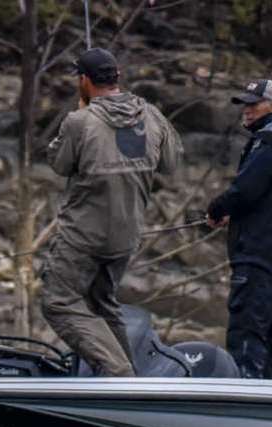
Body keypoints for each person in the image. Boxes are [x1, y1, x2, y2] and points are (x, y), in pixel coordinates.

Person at [42, 47, 182, 377]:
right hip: (127, 237)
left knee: (58, 302)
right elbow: (171, 162)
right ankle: (130, 382)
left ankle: (118, 374)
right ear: (118, 78)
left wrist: (81, 114)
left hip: (84, 237)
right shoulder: (152, 115)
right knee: (101, 302)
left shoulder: (80, 121)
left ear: (84, 81)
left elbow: (59, 164)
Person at [206, 79, 272, 379]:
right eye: (245, 104)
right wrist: (235, 215)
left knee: (247, 332)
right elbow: (266, 198)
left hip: (257, 256)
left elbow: (244, 191)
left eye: (254, 104)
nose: (247, 110)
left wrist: (217, 209)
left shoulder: (271, 141)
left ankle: (246, 397)